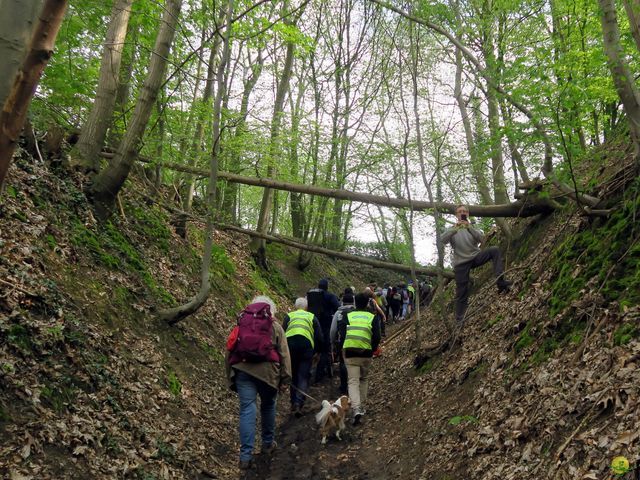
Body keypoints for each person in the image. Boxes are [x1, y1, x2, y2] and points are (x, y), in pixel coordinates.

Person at [225, 295, 292, 470]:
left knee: (247, 409)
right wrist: (286, 379)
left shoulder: (242, 324)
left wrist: (230, 376)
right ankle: (267, 444)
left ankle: (245, 456)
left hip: (243, 370)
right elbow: (284, 354)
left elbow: (230, 349)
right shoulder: (275, 327)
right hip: (268, 374)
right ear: (271, 311)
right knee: (268, 406)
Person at [441, 204, 512, 326]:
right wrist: (455, 229)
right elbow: (442, 240)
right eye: (460, 211)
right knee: (461, 291)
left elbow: (482, 239)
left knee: (494, 250)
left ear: (467, 214)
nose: (462, 213)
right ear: (456, 215)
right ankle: (459, 320)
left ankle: (500, 282)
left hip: (475, 257)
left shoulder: (472, 226)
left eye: (465, 211)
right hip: (461, 263)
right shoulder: (451, 228)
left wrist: (469, 228)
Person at [340, 292, 382, 425]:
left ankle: (356, 408)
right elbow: (377, 336)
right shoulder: (372, 317)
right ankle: (361, 407)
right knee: (363, 379)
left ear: (355, 302)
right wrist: (372, 348)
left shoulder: (348, 315)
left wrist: (342, 348)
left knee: (353, 381)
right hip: (366, 353)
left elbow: (342, 333)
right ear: (367, 303)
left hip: (351, 352)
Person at [282, 297, 324, 417]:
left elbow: (282, 333)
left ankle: (293, 402)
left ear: (295, 307)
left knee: (294, 374)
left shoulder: (289, 316)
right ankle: (298, 403)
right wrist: (318, 352)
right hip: (306, 347)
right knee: (303, 375)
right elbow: (319, 337)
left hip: (290, 346)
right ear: (306, 307)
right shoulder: (311, 317)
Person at [306, 278, 340, 382]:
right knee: (325, 350)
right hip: (325, 327)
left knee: (313, 349)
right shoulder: (330, 296)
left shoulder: (311, 296)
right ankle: (319, 375)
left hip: (312, 326)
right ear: (327, 286)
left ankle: (307, 373)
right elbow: (337, 307)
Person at [329, 289, 356, 396]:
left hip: (343, 342)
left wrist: (331, 343)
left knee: (343, 363)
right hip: (356, 341)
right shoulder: (356, 312)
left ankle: (343, 386)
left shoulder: (338, 312)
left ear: (342, 302)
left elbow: (333, 330)